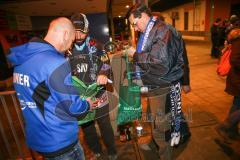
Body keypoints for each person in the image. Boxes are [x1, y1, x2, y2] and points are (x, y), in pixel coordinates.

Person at [7, 17, 98, 160]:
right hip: (60, 141)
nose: (70, 46)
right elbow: (73, 107)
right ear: (66, 34)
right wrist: (87, 104)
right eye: (72, 41)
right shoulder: (55, 63)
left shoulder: (21, 62)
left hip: (40, 138)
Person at [126, 3, 184, 159]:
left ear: (143, 16)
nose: (135, 28)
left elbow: (160, 64)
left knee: (161, 126)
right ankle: (155, 144)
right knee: (153, 119)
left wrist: (135, 55)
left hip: (162, 85)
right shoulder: (150, 30)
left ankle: (165, 155)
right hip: (153, 84)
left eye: (135, 23)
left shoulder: (163, 30)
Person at [68, 13, 117, 160]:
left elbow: (106, 62)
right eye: (74, 31)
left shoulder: (96, 45)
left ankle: (112, 150)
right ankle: (96, 150)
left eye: (81, 31)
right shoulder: (66, 48)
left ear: (87, 30)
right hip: (80, 95)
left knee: (105, 125)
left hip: (98, 92)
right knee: (87, 127)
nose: (77, 35)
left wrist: (103, 73)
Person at [215, 27, 240, 141]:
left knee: (237, 104)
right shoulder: (238, 43)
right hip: (237, 78)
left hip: (236, 78)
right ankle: (225, 126)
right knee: (237, 104)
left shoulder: (236, 42)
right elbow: (235, 60)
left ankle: (231, 130)